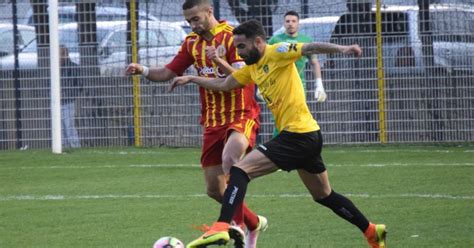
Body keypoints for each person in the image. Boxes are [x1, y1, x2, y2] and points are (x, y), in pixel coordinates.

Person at [170, 20, 387, 248]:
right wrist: (193, 78)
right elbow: (225, 84)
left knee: (239, 171)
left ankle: (222, 226)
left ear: (258, 42)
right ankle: (372, 231)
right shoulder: (252, 68)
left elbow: (310, 47)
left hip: (298, 136)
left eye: (242, 47)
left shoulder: (278, 51)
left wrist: (343, 49)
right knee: (324, 195)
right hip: (307, 136)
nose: (239, 52)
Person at [125, 1, 266, 247]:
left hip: (241, 114)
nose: (193, 24)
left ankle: (236, 226)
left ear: (209, 11)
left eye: (196, 18)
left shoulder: (233, 37)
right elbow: (168, 72)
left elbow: (242, 79)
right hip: (212, 122)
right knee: (214, 189)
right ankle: (254, 222)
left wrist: (217, 63)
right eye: (189, 21)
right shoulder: (192, 43)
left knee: (230, 160)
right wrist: (143, 69)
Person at [267, 10, 325, 137]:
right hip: (279, 87)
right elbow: (266, 62)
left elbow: (314, 62)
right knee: (280, 118)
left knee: (297, 118)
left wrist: (319, 85)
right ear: (284, 23)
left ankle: (294, 147)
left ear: (298, 23)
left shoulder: (306, 40)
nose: (290, 24)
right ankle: (278, 148)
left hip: (299, 86)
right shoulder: (275, 40)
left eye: (293, 21)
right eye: (287, 21)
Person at [60, 45, 82, 148]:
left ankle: (75, 146)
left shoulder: (73, 68)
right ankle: (63, 146)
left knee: (69, 126)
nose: (60, 57)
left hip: (68, 101)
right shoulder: (53, 68)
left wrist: (67, 95)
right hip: (56, 102)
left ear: (66, 54)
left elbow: (79, 85)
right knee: (59, 127)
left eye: (62, 54)